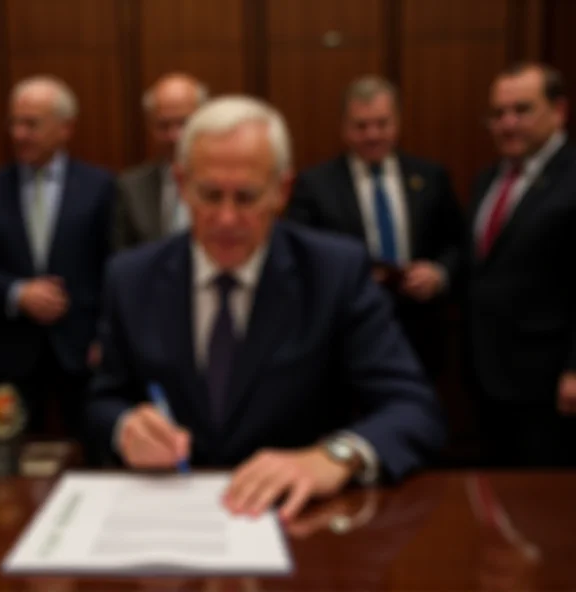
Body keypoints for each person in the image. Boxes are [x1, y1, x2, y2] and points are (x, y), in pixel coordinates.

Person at [87, 96, 445, 519]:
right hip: (170, 520)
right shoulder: (131, 278)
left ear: (282, 191)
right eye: (209, 194)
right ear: (182, 185)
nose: (225, 218)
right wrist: (123, 428)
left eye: (247, 197)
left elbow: (413, 408)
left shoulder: (333, 272)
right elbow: (101, 401)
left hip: (297, 523)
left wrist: (334, 456)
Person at [0, 76, 114, 441]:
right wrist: (17, 292)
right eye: (14, 122)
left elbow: (115, 266)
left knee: (91, 452)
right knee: (13, 461)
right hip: (13, 350)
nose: (19, 134)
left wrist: (106, 336)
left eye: (32, 124)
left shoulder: (101, 186)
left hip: (81, 348)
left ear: (65, 128)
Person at [286, 76, 464, 379]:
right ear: (344, 128)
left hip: (419, 329)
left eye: (382, 123)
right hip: (344, 331)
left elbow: (459, 243)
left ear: (397, 122)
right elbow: (297, 254)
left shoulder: (431, 177)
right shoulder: (315, 185)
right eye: (361, 125)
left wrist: (439, 273)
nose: (372, 135)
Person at [464, 62, 576, 467]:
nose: (508, 124)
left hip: (549, 384)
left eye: (522, 110)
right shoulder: (488, 179)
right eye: (498, 114)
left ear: (559, 111)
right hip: (489, 377)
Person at [113, 73, 208, 250]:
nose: (174, 136)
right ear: (150, 127)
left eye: (184, 123)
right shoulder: (131, 187)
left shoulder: (230, 181)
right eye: (163, 125)